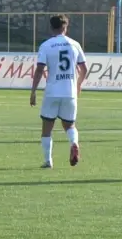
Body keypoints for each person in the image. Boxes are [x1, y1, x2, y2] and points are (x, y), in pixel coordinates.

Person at [30, 14, 88, 168]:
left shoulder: (46, 45)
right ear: (65, 27)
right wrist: (79, 85)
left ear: (51, 27)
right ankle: (74, 143)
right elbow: (84, 69)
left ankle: (48, 160)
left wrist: (33, 91)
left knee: (47, 127)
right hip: (70, 92)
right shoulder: (74, 44)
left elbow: (39, 69)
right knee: (69, 125)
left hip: (52, 92)